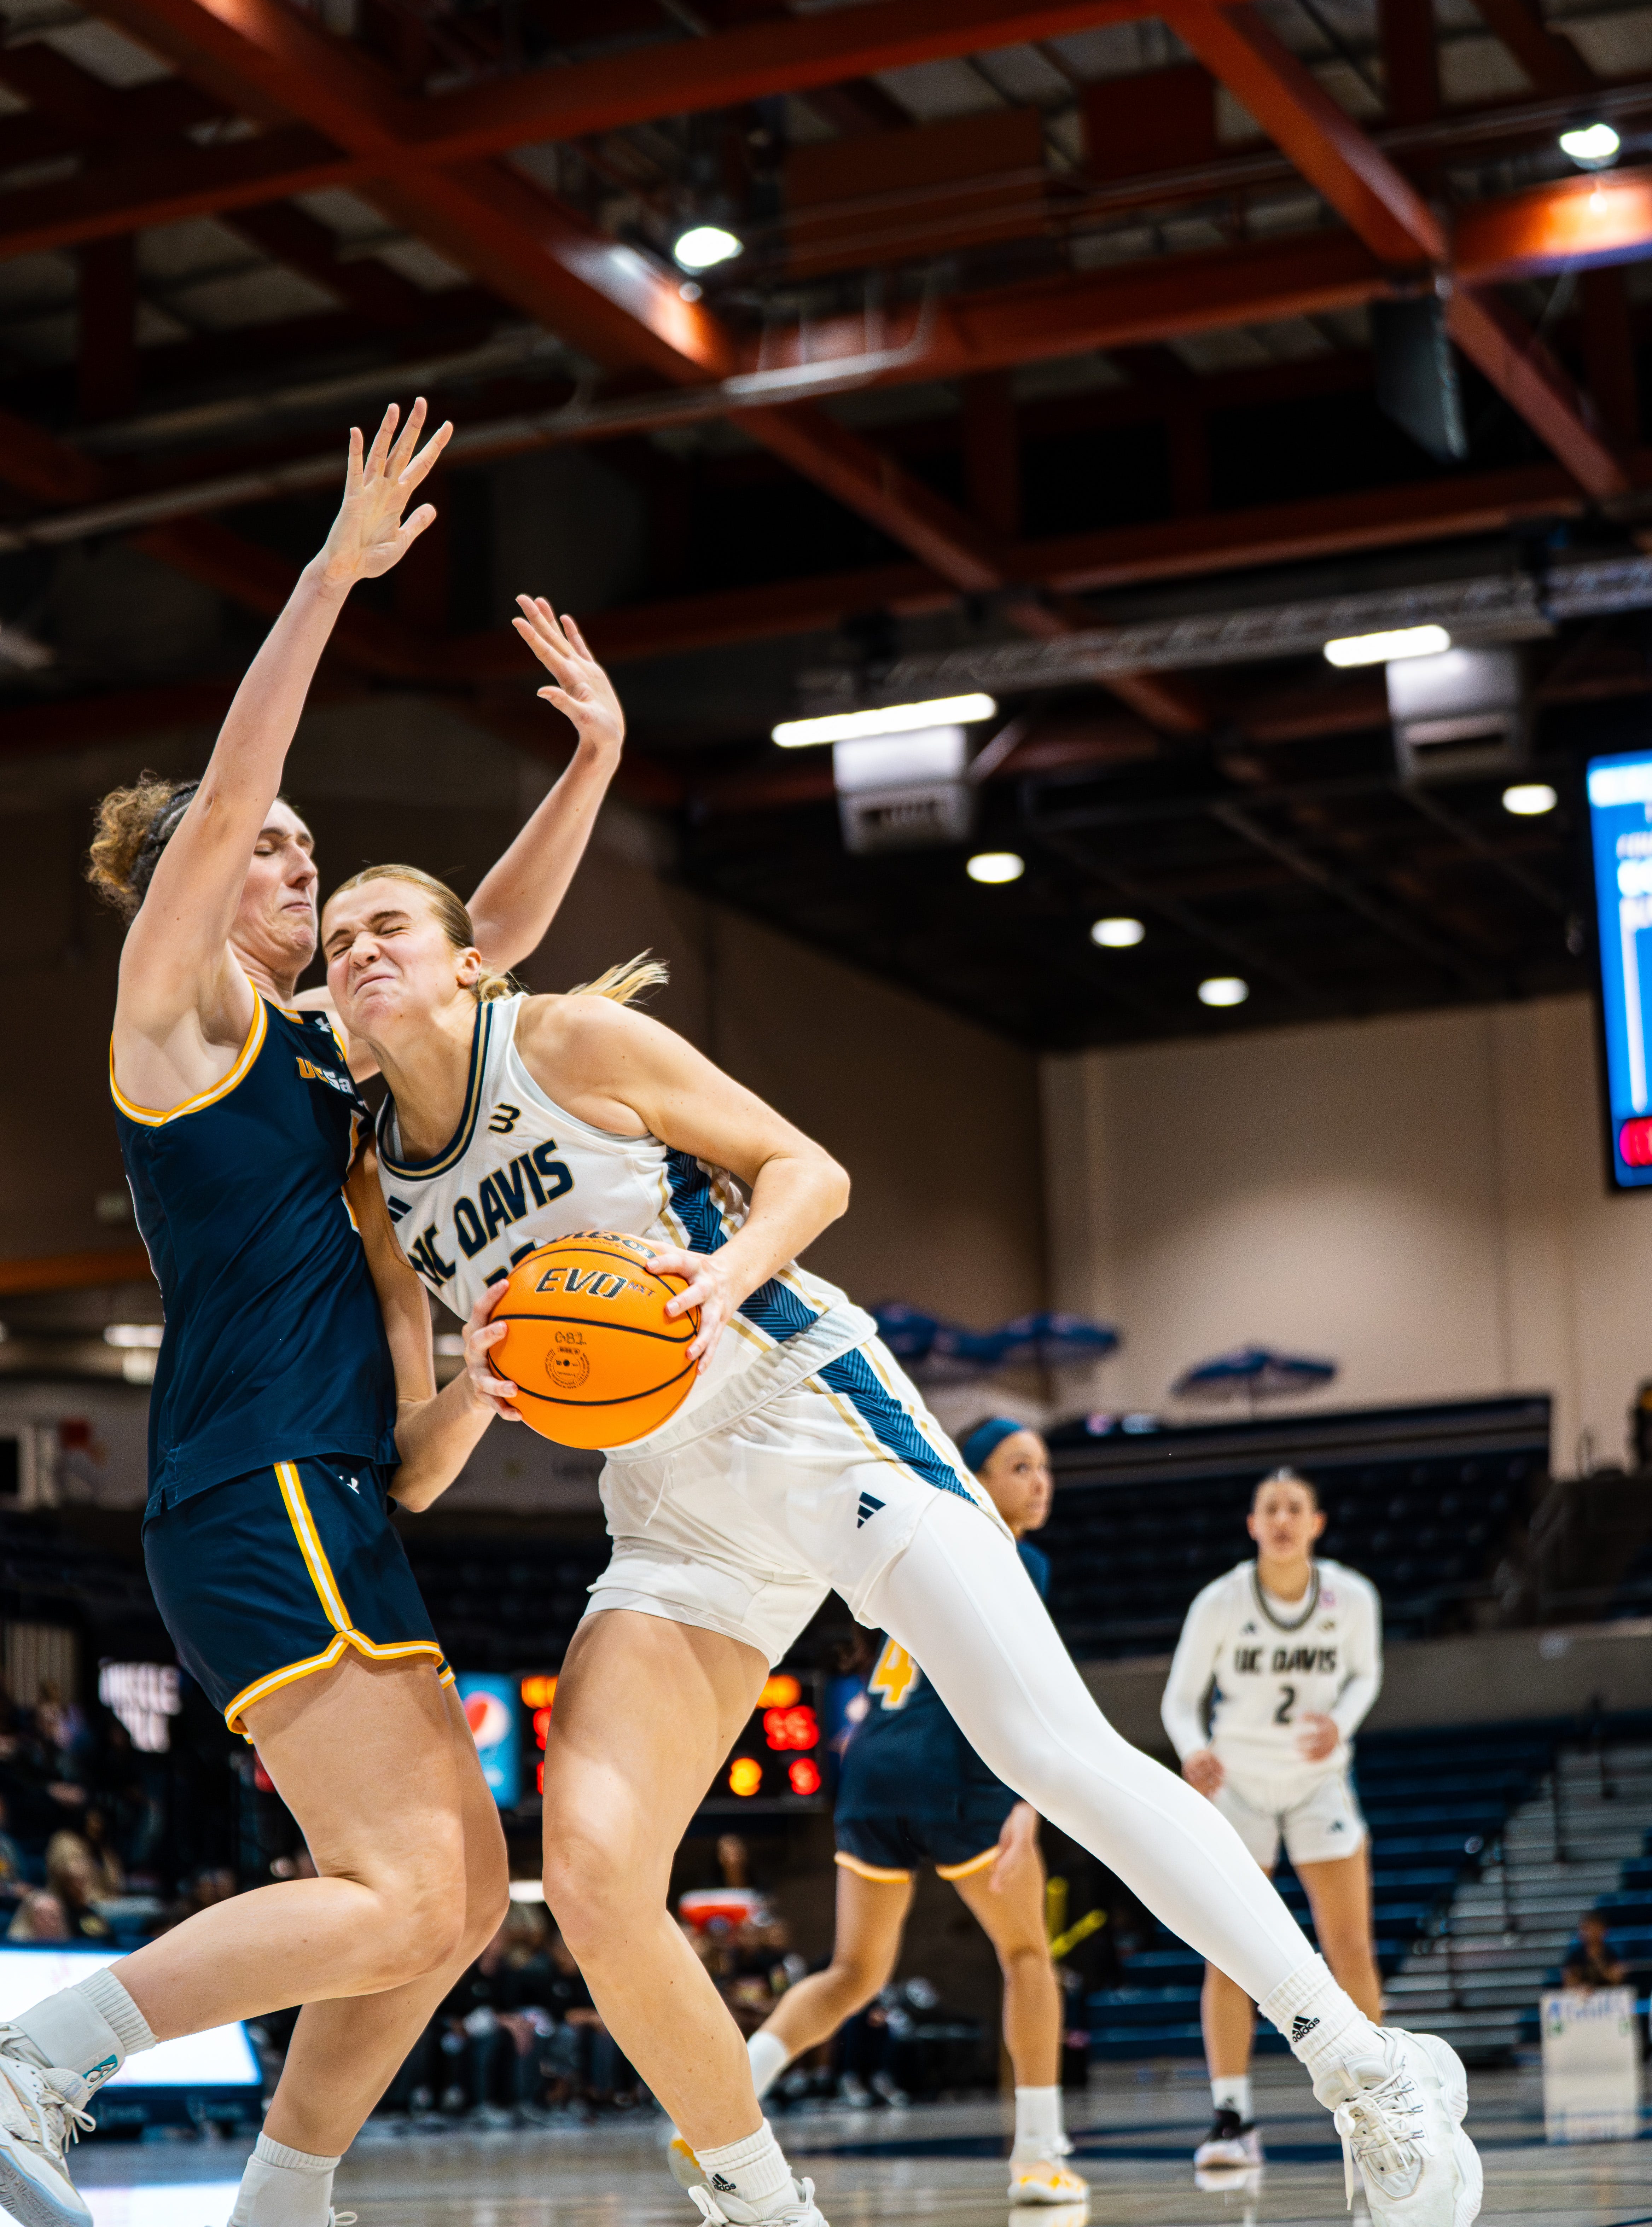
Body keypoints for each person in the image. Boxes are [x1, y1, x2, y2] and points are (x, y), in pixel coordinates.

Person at [323, 894, 1482, 2227]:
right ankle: (767, 2206)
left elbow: (809, 1172)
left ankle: (1364, 2067)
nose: (359, 949)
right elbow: (415, 1469)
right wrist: (478, 1389)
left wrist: (723, 1275)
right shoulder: (378, 1181)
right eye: (338, 940)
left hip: (804, 1406)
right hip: (666, 1505)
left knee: (1047, 1750)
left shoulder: (565, 1042)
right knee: (590, 1872)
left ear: (470, 959)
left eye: (388, 923)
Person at [0, 402, 625, 2227]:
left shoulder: (322, 1061)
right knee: (406, 1887)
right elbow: (229, 786)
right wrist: (328, 582)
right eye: (268, 849)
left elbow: (474, 947)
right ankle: (43, 2054)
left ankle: (287, 2199)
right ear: (194, 880)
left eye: (304, 845)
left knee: (461, 1896)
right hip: (250, 1481)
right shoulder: (173, 1015)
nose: (298, 862)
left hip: (334, 1490)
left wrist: (592, 763)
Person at [746, 1417, 1084, 2203]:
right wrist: (1029, 1796)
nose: (1039, 1481)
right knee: (1027, 1958)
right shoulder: (1015, 1555)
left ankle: (723, 2100)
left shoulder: (911, 1539)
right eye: (1019, 1466)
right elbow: (1022, 1683)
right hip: (952, 1766)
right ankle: (1038, 2157)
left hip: (869, 1766)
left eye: (1043, 1466)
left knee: (853, 1971)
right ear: (975, 1480)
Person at [1161, 1469, 1384, 2178]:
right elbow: (1178, 1700)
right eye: (1270, 1509)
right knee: (1229, 1953)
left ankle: (1379, 2104)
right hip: (1239, 1785)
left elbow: (1366, 1675)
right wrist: (1191, 1749)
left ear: (1315, 1523)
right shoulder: (1220, 1601)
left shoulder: (1352, 1597)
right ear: (1252, 1525)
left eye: (1295, 1508)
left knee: (1349, 1946)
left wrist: (1341, 1723)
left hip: (1318, 1782)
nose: (1282, 1519)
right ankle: (1231, 2116)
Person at [1562, 1912, 1626, 1990]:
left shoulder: (1611, 1954)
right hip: (1581, 1995)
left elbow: (1617, 1980)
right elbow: (1568, 1982)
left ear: (1604, 1930)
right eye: (1588, 1928)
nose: (1592, 1932)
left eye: (1596, 1928)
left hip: (1607, 1993)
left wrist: (1600, 1964)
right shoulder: (1575, 1956)